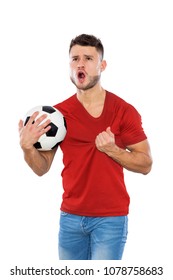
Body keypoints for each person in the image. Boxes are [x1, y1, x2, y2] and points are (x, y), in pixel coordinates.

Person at [18, 34, 153, 260]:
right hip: (70, 218)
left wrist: (113, 150)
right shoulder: (57, 115)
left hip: (110, 219)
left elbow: (146, 164)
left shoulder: (123, 110)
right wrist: (27, 147)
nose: (80, 63)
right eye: (75, 59)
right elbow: (42, 169)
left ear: (102, 65)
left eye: (88, 58)